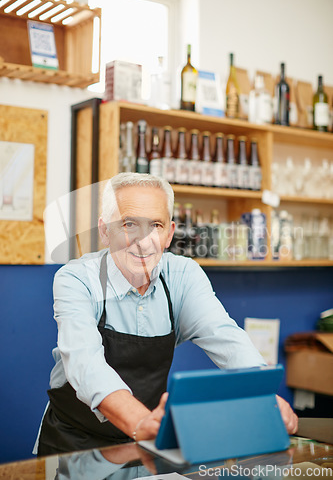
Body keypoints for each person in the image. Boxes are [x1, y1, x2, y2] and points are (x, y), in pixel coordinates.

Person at [35, 172, 297, 456]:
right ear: (104, 230)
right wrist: (141, 422)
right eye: (129, 223)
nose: (143, 241)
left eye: (156, 225)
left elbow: (227, 339)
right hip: (73, 442)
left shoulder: (183, 276)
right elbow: (86, 366)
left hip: (143, 441)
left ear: (169, 233)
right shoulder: (77, 279)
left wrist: (263, 396)